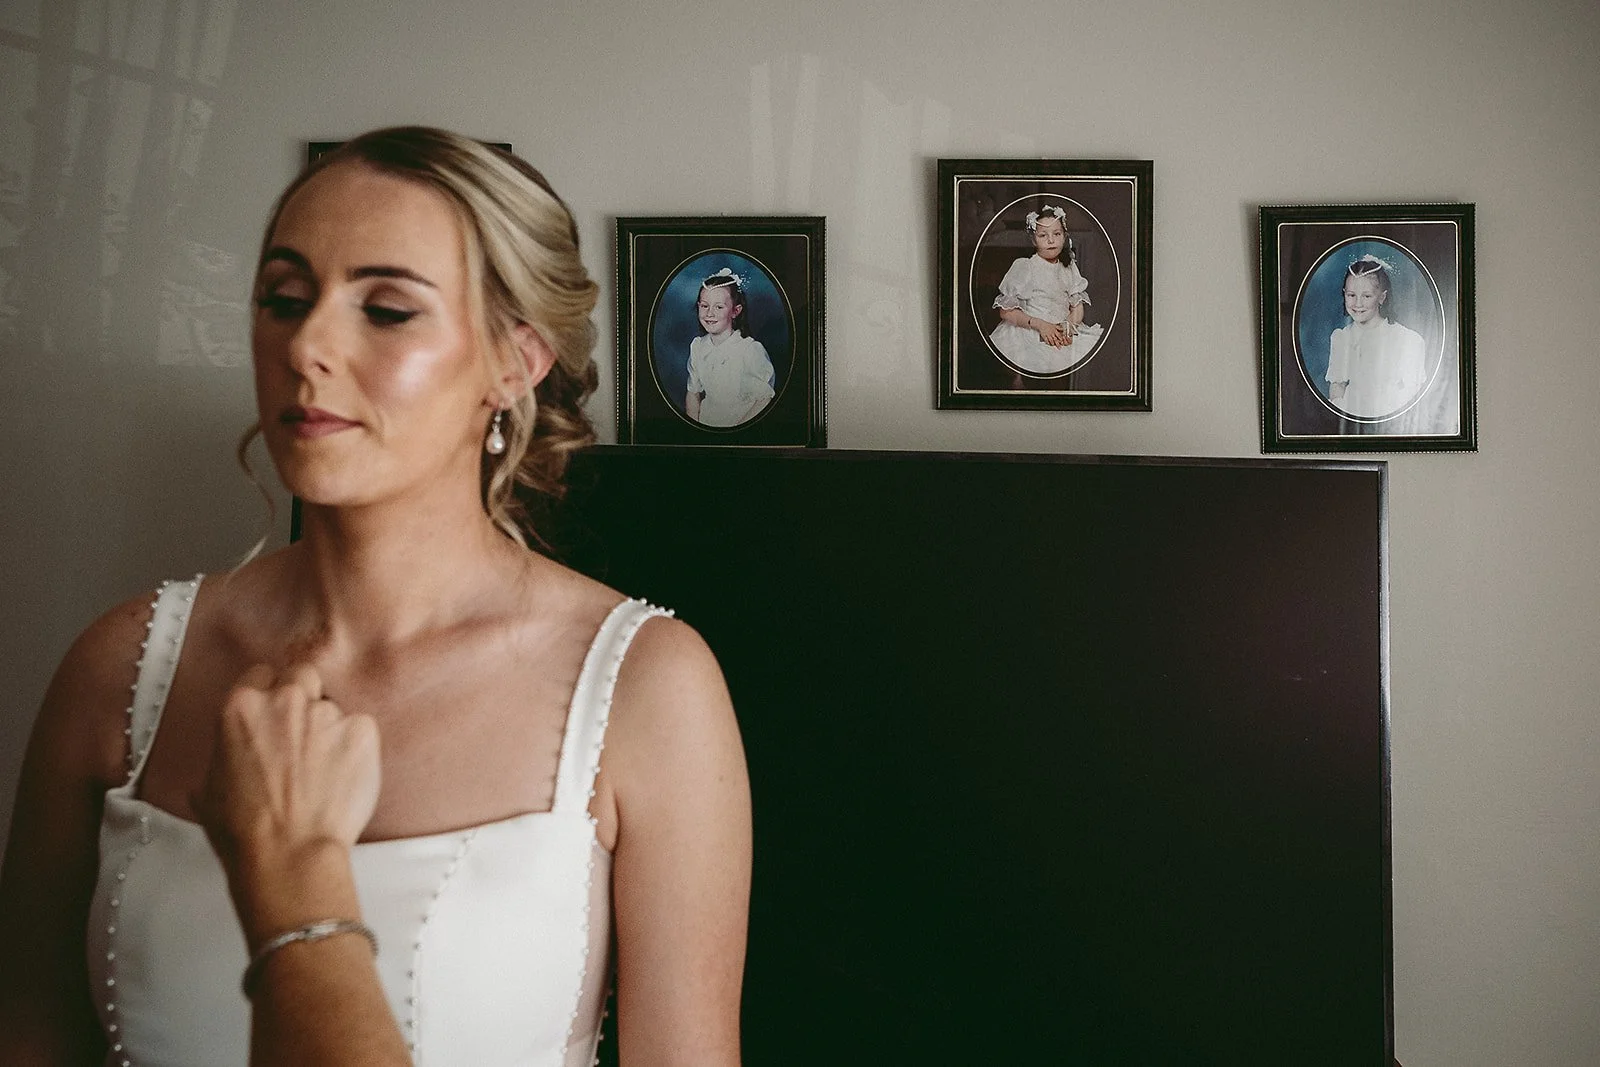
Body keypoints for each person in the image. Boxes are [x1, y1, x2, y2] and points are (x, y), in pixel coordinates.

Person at [0, 126, 752, 1067]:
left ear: (514, 363)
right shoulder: (119, 669)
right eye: (283, 297)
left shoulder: (649, 690)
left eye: (388, 309)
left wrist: (296, 886)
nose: (307, 343)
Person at [987, 204, 1104, 375]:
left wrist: (1069, 326)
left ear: (1064, 236)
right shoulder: (1025, 266)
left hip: (1061, 330)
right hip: (1030, 330)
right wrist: (1040, 325)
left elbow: (1077, 306)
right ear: (1034, 240)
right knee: (1034, 363)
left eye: (1056, 234)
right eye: (1043, 235)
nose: (1051, 240)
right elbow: (1006, 312)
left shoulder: (1069, 266)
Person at [1325, 253, 1427, 420]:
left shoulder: (1408, 340)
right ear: (1344, 294)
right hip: (1352, 419)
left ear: (1382, 297)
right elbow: (1337, 386)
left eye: (1366, 296)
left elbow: (1412, 393)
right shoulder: (1341, 337)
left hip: (1390, 418)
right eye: (1351, 295)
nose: (1358, 303)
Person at [683, 268, 775, 427]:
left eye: (719, 307)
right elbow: (693, 393)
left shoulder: (749, 350)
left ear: (735, 311)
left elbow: (764, 399)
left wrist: (734, 433)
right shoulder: (698, 346)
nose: (709, 313)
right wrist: (695, 429)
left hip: (739, 428)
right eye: (704, 306)